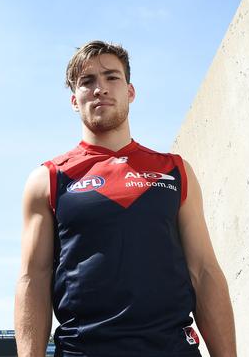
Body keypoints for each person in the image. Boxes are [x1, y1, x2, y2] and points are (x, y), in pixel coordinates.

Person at [14, 40, 236, 357]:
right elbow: (32, 278)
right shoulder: (48, 179)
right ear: (74, 101)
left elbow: (204, 271)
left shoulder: (175, 170)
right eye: (87, 81)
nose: (100, 88)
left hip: (172, 348)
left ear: (130, 92)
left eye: (111, 77)